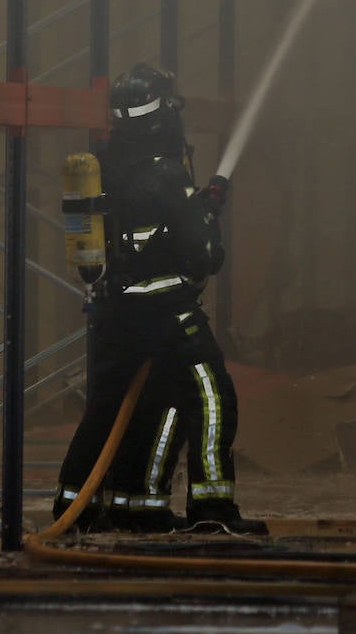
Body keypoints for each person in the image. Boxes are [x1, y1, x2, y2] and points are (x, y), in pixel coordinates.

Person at [52, 62, 266, 535]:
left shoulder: (105, 167)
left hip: (114, 314)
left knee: (125, 407)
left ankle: (117, 506)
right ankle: (214, 511)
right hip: (167, 312)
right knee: (212, 396)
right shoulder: (165, 175)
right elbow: (205, 255)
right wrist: (206, 216)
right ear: (163, 114)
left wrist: (197, 207)